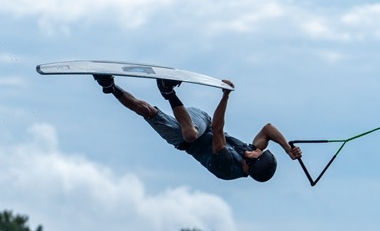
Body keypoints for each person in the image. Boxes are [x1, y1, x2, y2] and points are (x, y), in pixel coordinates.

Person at [93, 75, 302, 182]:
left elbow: (219, 130)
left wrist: (225, 96)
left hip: (183, 139)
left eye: (258, 152)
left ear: (252, 163)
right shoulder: (250, 152)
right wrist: (287, 148)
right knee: (192, 132)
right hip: (200, 121)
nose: (258, 148)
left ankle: (109, 86)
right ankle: (168, 92)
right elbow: (268, 129)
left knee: (146, 110)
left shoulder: (227, 167)